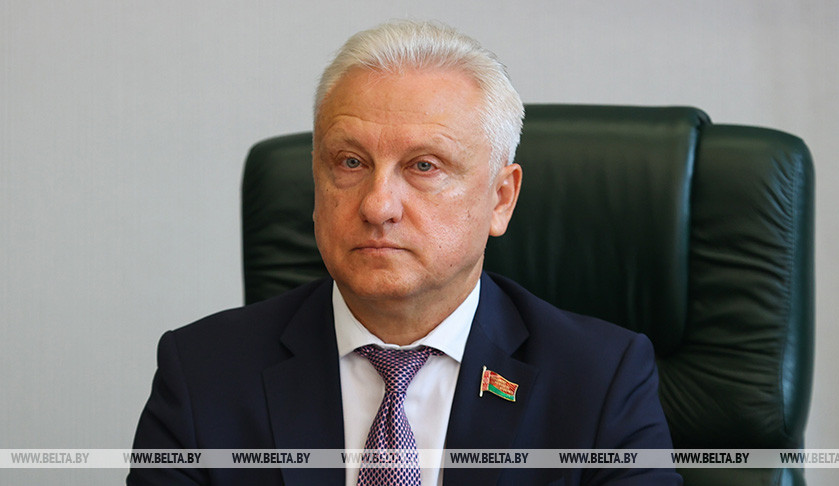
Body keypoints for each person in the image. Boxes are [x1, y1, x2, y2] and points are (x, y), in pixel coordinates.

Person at [128, 20, 682, 486]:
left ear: (501, 199)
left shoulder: (599, 381)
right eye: (350, 162)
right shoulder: (202, 374)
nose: (378, 205)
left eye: (424, 166)